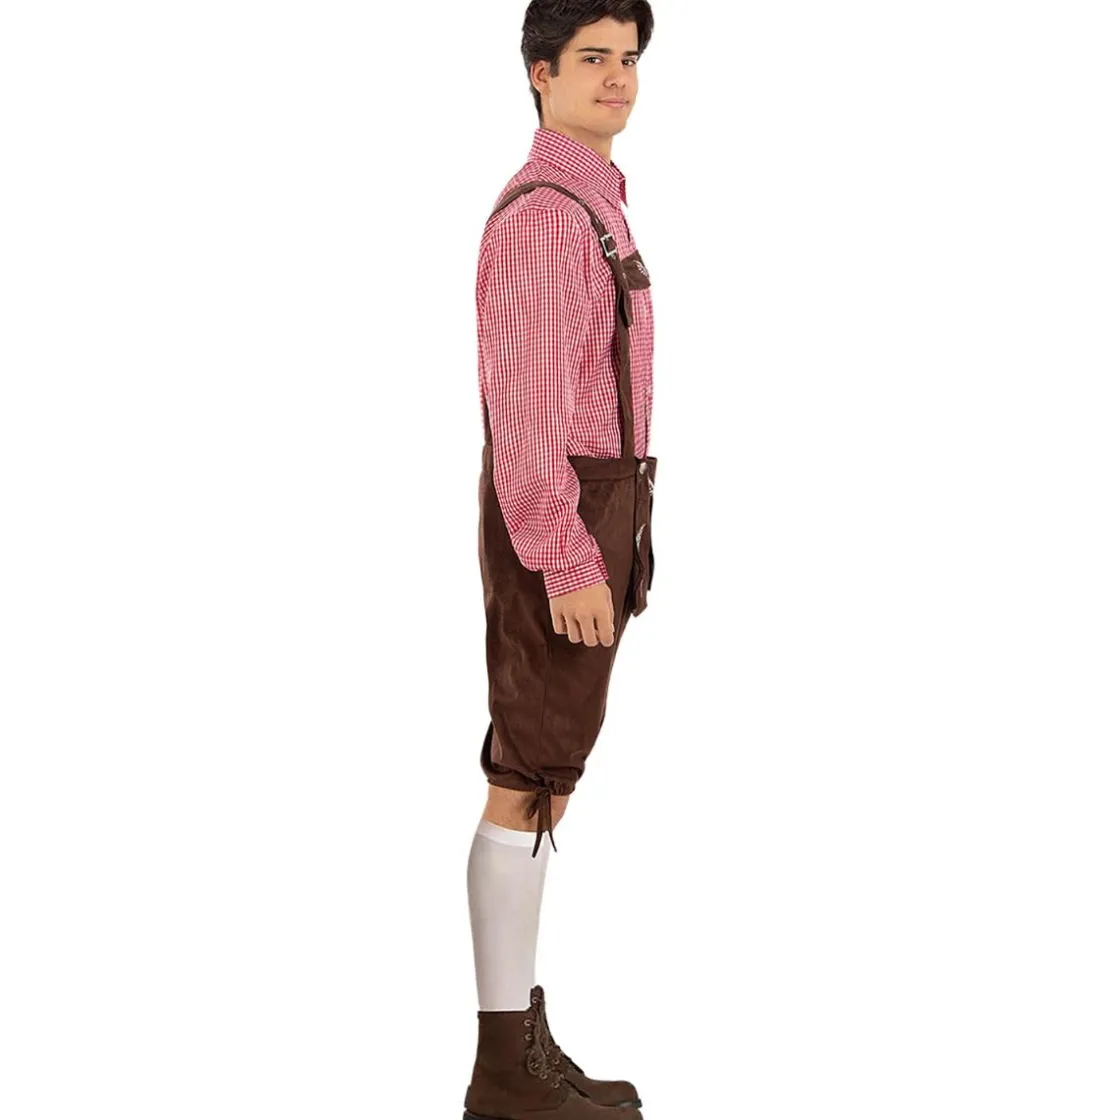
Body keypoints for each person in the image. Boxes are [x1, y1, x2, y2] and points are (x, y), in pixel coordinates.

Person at [463, 3, 659, 1118]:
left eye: (628, 59)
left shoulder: (595, 199)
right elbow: (528, 411)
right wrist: (564, 553)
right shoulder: (547, 216)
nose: (617, 77)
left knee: (550, 777)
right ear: (539, 74)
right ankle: (502, 1068)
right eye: (592, 58)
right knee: (530, 777)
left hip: (597, 509)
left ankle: (520, 1039)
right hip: (565, 519)